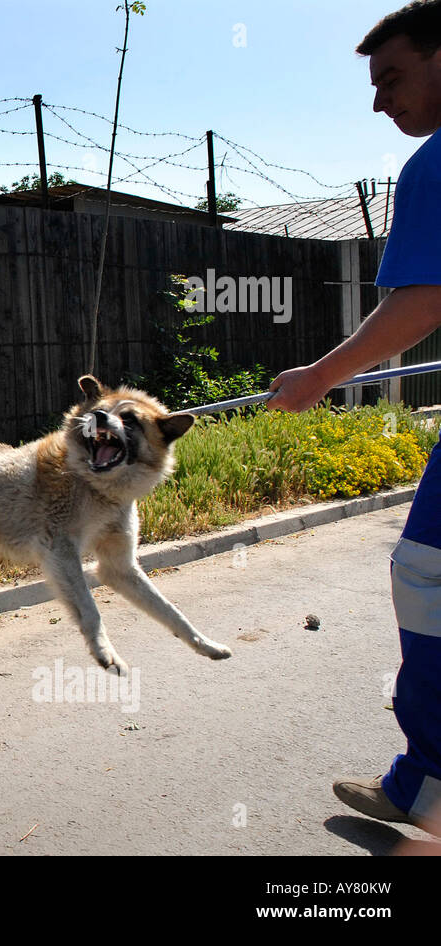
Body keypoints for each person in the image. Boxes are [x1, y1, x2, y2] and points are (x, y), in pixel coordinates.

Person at [268, 1, 441, 836]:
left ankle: (426, 785)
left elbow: (422, 300)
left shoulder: (437, 162)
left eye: (394, 78)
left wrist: (319, 377)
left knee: (427, 577)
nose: (381, 104)